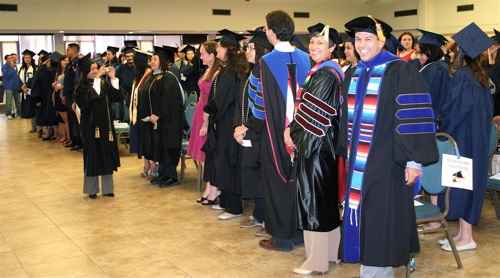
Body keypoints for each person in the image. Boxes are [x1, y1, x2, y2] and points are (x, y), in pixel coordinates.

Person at [340, 16, 439, 277]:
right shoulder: (355, 71)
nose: (362, 44)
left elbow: (413, 117)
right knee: (363, 218)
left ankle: (376, 273)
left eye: (368, 39)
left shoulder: (400, 70)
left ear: (381, 42)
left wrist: (414, 161)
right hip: (360, 165)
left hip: (388, 163)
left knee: (380, 221)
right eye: (358, 39)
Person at [234, 10, 312, 252]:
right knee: (299, 182)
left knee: (277, 182)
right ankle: (300, 234)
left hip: (275, 134)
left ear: (271, 31)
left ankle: (281, 238)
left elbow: (257, 109)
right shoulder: (306, 58)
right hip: (302, 132)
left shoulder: (264, 63)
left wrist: (250, 128)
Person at [289, 23, 344, 275]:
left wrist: (293, 136)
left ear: (332, 48)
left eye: (320, 43)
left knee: (313, 201)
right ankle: (331, 255)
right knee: (325, 200)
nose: (313, 47)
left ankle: (316, 262)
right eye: (312, 42)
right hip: (324, 144)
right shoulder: (323, 70)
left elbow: (314, 115)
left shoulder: (325, 73)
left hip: (316, 144)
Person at [438, 23, 494, 252]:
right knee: (466, 185)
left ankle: (467, 237)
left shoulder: (462, 76)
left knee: (461, 185)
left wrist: (441, 129)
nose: (450, 54)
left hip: (462, 142)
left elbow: (455, 111)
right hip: (476, 140)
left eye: (453, 50)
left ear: (460, 51)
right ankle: (462, 233)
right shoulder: (480, 77)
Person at [203, 29, 247, 219]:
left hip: (228, 122)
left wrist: (208, 109)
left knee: (228, 162)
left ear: (227, 49)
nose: (217, 49)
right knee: (223, 162)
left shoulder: (230, 71)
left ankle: (234, 207)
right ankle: (226, 201)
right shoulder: (228, 68)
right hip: (223, 122)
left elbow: (222, 100)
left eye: (220, 46)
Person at [233, 30, 272, 232]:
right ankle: (258, 214)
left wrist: (246, 126)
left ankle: (266, 218)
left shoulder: (264, 72)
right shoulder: (252, 72)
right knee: (252, 174)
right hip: (249, 131)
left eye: (250, 48)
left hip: (260, 132)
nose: (247, 51)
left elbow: (262, 108)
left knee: (260, 175)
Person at [75, 53, 121, 199]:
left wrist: (113, 78)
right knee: (93, 156)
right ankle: (91, 189)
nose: (95, 71)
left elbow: (117, 97)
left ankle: (108, 189)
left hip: (106, 126)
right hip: (91, 127)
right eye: (91, 69)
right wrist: (97, 79)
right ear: (84, 72)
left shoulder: (102, 83)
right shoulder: (80, 88)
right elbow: (92, 98)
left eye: (96, 68)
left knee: (106, 155)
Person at [140, 46, 184, 188]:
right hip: (158, 121)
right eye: (151, 59)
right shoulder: (154, 76)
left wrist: (158, 114)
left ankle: (172, 176)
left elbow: (168, 99)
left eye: (155, 59)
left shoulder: (169, 78)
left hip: (169, 121)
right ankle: (163, 174)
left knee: (168, 146)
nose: (151, 62)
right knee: (160, 146)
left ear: (163, 61)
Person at [187, 41, 222, 204]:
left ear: (212, 55)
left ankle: (214, 187)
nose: (200, 57)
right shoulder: (208, 70)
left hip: (206, 115)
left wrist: (206, 123)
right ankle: (209, 186)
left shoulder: (217, 73)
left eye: (202, 54)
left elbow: (213, 99)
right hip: (199, 112)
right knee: (201, 157)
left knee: (205, 155)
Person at [415, 29, 451, 127]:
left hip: (431, 117)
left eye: (421, 53)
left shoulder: (437, 68)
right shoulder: (434, 66)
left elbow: (428, 96)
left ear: (430, 51)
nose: (418, 57)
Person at [129, 49, 153, 178]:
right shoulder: (139, 76)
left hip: (147, 114)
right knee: (143, 141)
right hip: (139, 113)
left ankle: (153, 166)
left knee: (149, 142)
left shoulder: (149, 75)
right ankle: (146, 164)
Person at [31, 52, 59, 140]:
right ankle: (55, 134)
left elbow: (35, 82)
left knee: (45, 115)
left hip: (43, 96)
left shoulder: (43, 71)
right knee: (52, 114)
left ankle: (47, 134)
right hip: (50, 95)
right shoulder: (56, 71)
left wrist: (42, 65)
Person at [63, 43, 83, 150]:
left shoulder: (78, 63)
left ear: (74, 51)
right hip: (69, 95)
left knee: (76, 119)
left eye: (68, 50)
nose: (66, 52)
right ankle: (73, 140)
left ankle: (79, 141)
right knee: (71, 119)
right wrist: (64, 95)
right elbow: (67, 81)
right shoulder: (69, 64)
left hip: (75, 95)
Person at [115, 43, 136, 125]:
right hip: (124, 97)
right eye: (127, 56)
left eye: (131, 56)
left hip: (136, 97)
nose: (130, 58)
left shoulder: (139, 68)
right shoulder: (120, 68)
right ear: (124, 57)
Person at [18, 49, 38, 132]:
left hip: (32, 90)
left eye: (28, 57)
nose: (27, 59)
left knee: (34, 108)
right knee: (29, 108)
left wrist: (27, 86)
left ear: (31, 58)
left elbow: (35, 79)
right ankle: (33, 126)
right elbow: (19, 79)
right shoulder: (21, 69)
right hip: (25, 91)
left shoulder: (35, 68)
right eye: (25, 57)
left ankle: (36, 126)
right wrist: (22, 87)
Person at [52, 55, 70, 144]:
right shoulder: (58, 72)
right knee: (60, 119)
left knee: (66, 119)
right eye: (63, 60)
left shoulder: (68, 73)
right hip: (57, 95)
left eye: (67, 60)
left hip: (63, 95)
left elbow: (70, 85)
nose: (65, 62)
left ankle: (68, 137)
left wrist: (60, 87)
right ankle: (62, 134)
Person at [2, 54, 21, 120]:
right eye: (9, 58)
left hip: (16, 85)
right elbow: (7, 75)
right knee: (9, 101)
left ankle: (19, 113)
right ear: (6, 60)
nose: (11, 59)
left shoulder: (15, 66)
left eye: (12, 58)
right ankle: (9, 113)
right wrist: (11, 68)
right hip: (9, 86)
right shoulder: (4, 67)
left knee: (18, 101)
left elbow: (16, 75)